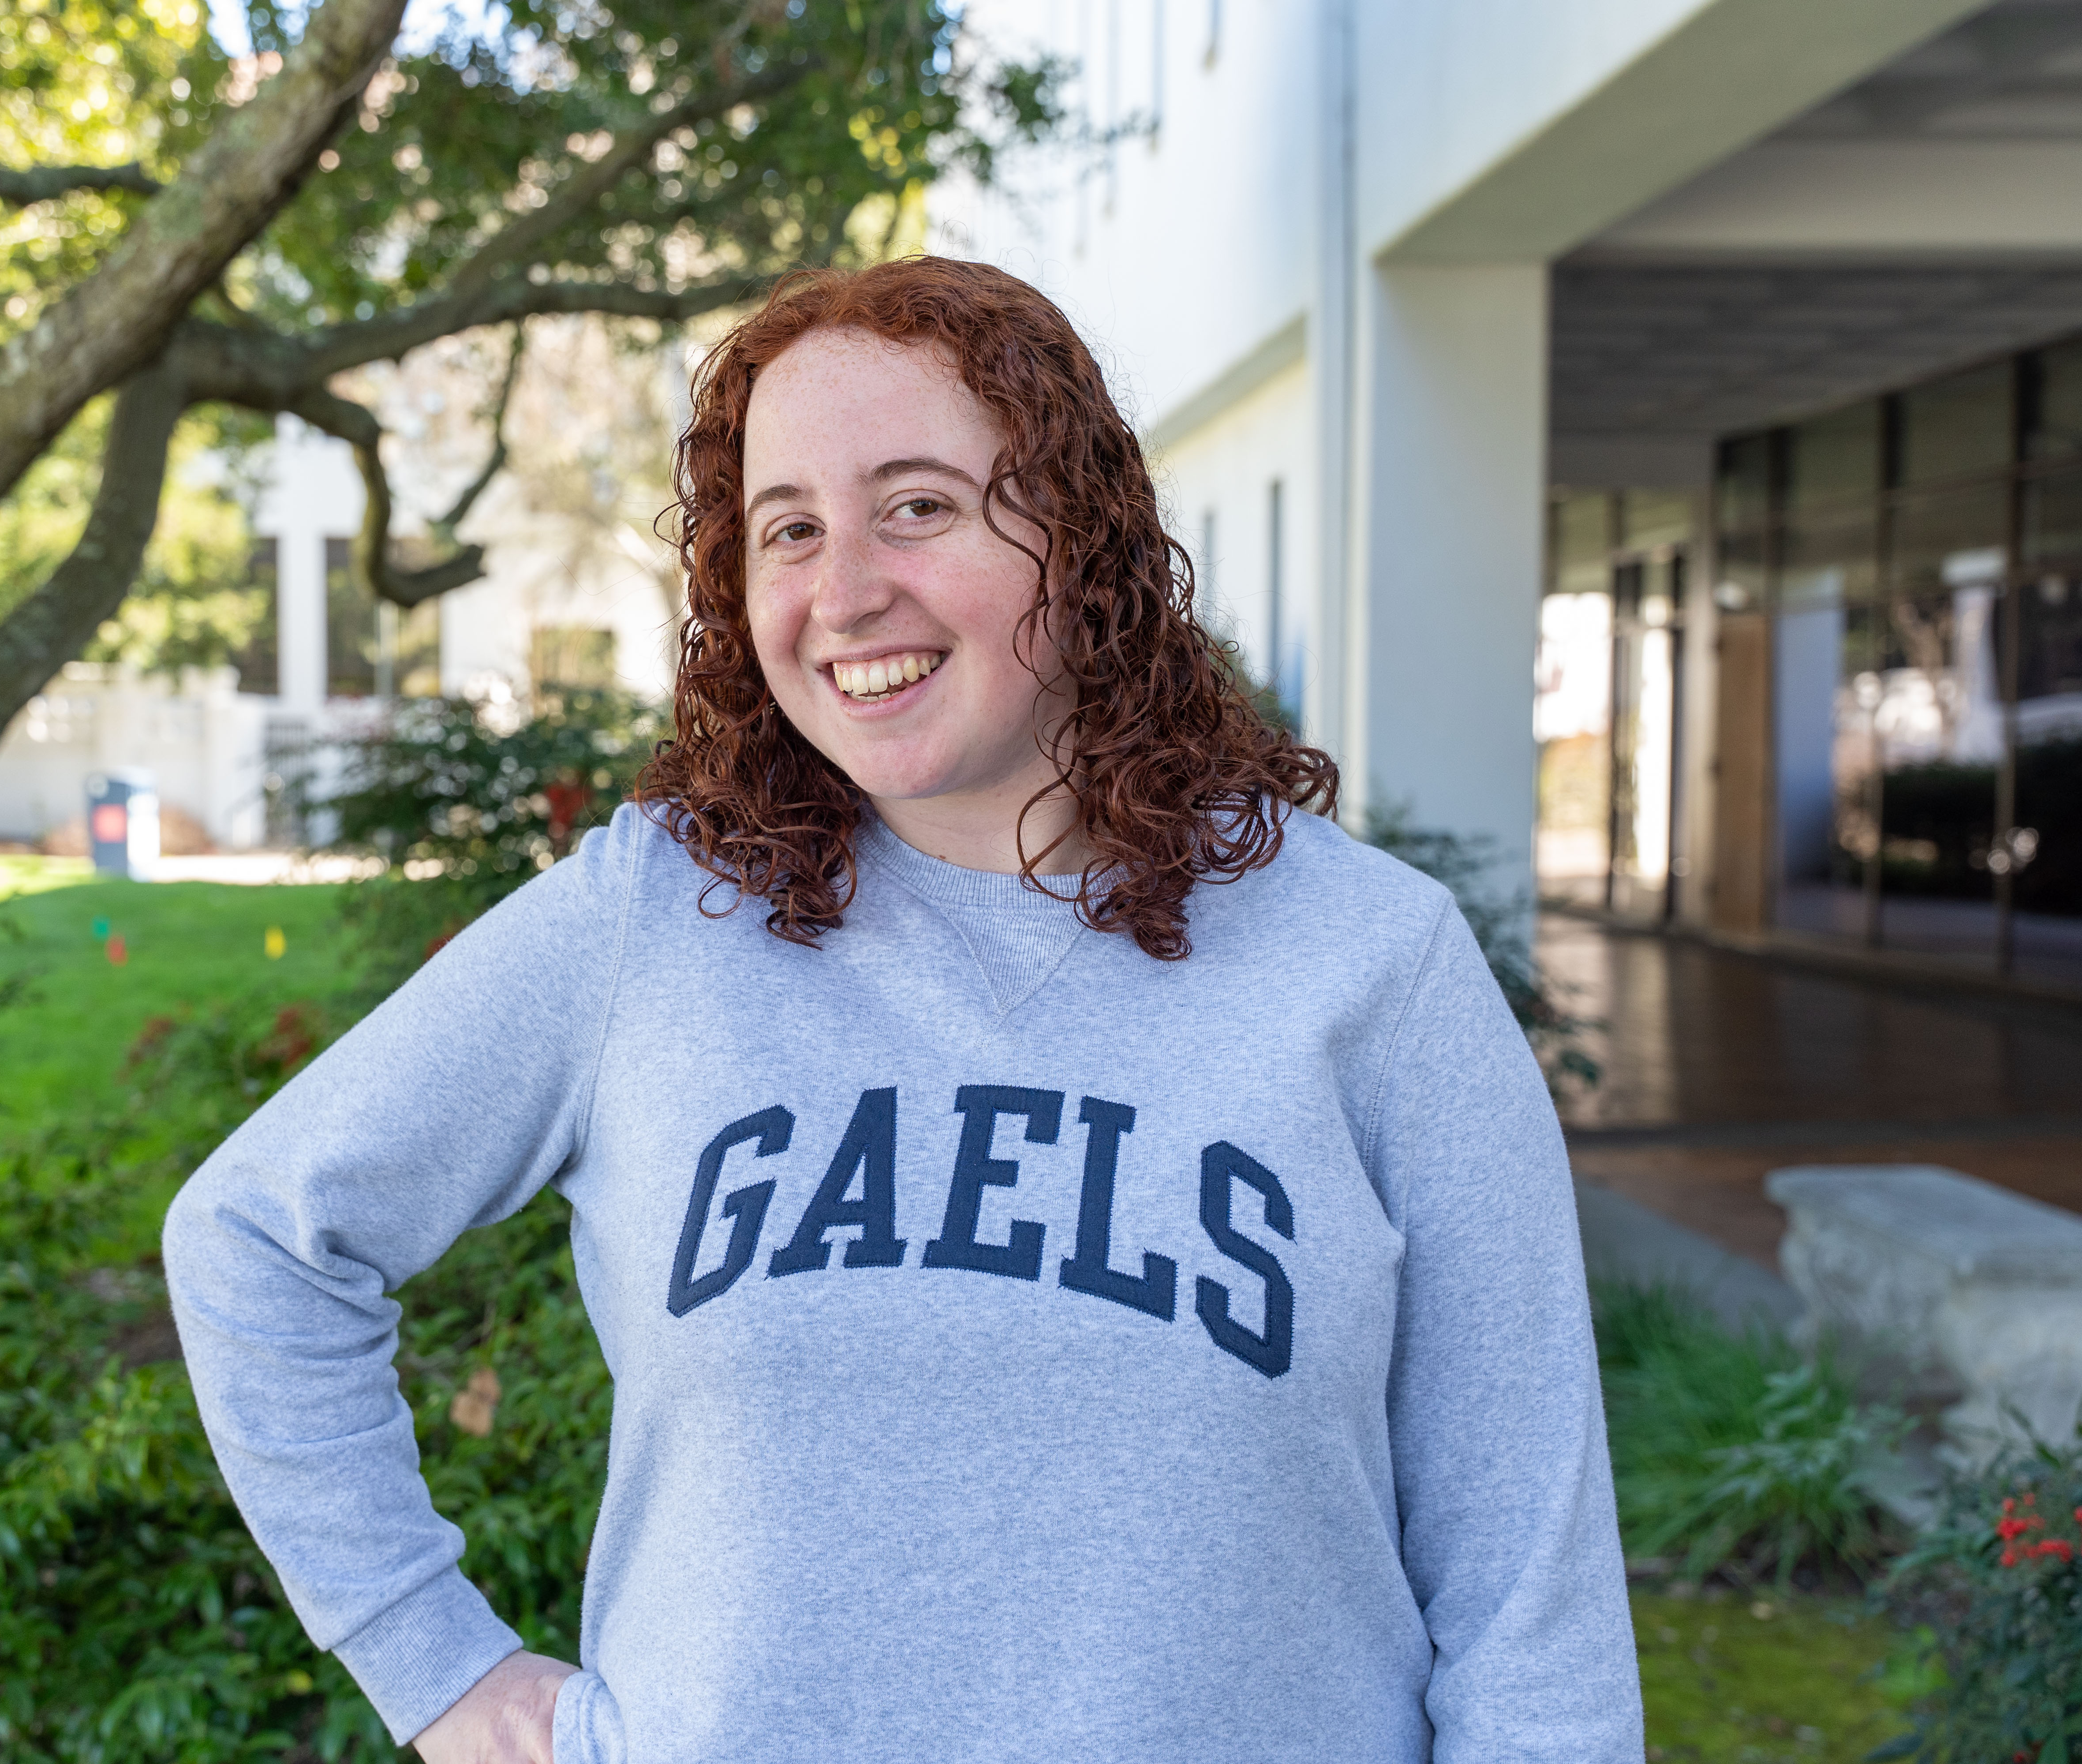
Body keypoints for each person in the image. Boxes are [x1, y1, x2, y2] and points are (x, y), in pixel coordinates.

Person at [164, 257, 1643, 1764]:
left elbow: (1535, 1609)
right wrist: (440, 1668)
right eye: (788, 528)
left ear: (1082, 535)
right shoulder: (652, 924)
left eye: (920, 504)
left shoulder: (1370, 965)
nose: (844, 588)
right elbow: (259, 1241)